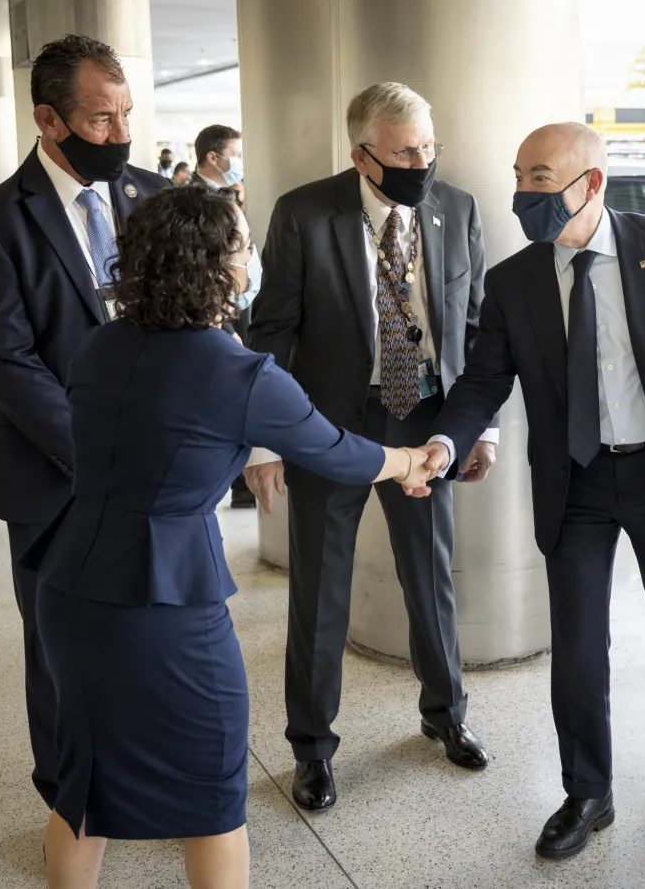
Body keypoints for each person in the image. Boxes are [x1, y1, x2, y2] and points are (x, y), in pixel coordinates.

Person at [25, 185, 437, 889]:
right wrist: (406, 461)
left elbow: (161, 422)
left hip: (69, 588)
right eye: (243, 244)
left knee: (82, 780)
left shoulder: (101, 344)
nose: (251, 257)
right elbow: (336, 450)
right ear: (217, 264)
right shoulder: (240, 372)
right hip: (164, 605)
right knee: (212, 790)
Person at [419, 123, 645, 859]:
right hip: (573, 479)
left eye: (540, 178)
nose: (523, 193)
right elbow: (485, 379)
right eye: (519, 176)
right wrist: (449, 440)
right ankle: (587, 791)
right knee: (577, 646)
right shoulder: (514, 281)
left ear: (592, 183)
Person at [245, 82, 495, 812]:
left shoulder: (457, 208)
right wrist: (267, 440)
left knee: (432, 578)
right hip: (333, 431)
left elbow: (474, 325)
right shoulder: (304, 213)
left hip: (428, 424)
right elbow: (271, 334)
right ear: (362, 154)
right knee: (320, 595)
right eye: (406, 151)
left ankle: (446, 715)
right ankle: (312, 748)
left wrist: (480, 428)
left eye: (429, 146)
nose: (422, 161)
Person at [0, 34, 170, 815]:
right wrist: (96, 454)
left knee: (148, 637)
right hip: (54, 478)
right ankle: (69, 798)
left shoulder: (154, 199)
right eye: (101, 120)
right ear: (48, 119)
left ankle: (141, 780)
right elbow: (7, 360)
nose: (120, 136)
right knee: (58, 649)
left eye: (126, 117)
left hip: (158, 473)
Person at [191, 123, 261, 509]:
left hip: (239, 308)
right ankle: (236, 479)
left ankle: (240, 480)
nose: (240, 162)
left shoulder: (234, 195)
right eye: (235, 153)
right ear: (213, 157)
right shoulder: (189, 204)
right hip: (216, 315)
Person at [191, 124, 245, 208]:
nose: (241, 161)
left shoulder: (226, 192)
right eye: (237, 155)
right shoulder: (194, 202)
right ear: (213, 158)